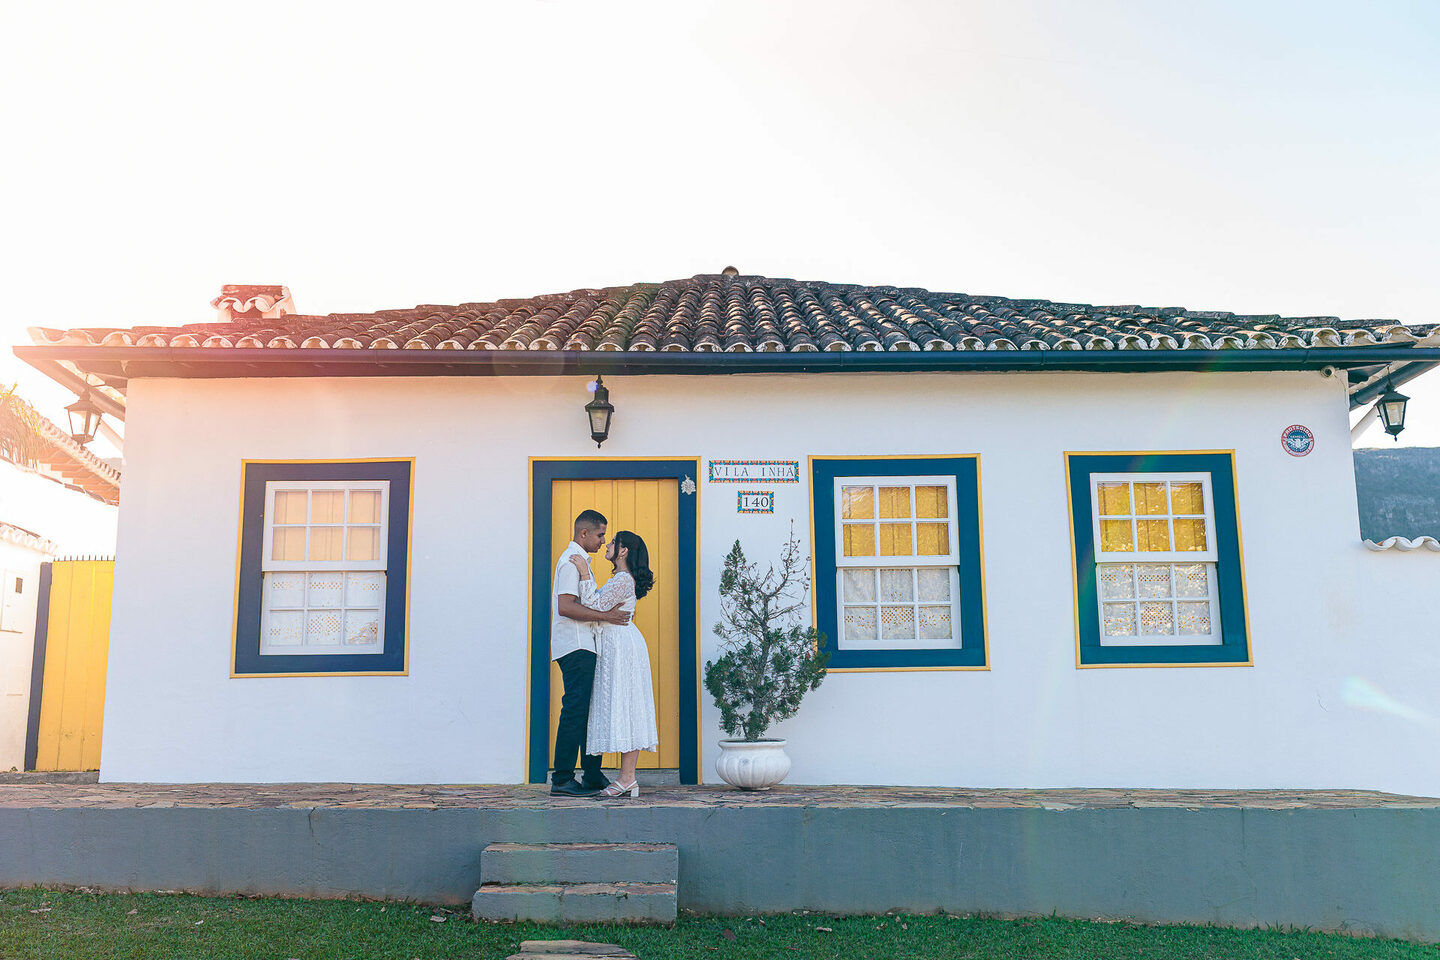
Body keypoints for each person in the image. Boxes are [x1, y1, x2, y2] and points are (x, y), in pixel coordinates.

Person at [569, 529, 658, 799]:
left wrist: (584, 572)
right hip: (618, 643)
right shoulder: (621, 579)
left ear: (623, 551)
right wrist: (606, 614)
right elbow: (601, 609)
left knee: (626, 706)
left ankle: (627, 778)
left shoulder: (622, 579)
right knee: (623, 705)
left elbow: (593, 604)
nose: (607, 544)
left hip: (621, 646)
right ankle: (627, 778)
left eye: (612, 542)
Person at [550, 509, 631, 797]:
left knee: (586, 711)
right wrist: (608, 616)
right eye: (599, 535)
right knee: (574, 711)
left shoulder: (581, 561)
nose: (602, 541)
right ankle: (561, 779)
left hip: (585, 645)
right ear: (583, 533)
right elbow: (566, 607)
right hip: (576, 645)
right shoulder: (571, 562)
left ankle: (592, 774)